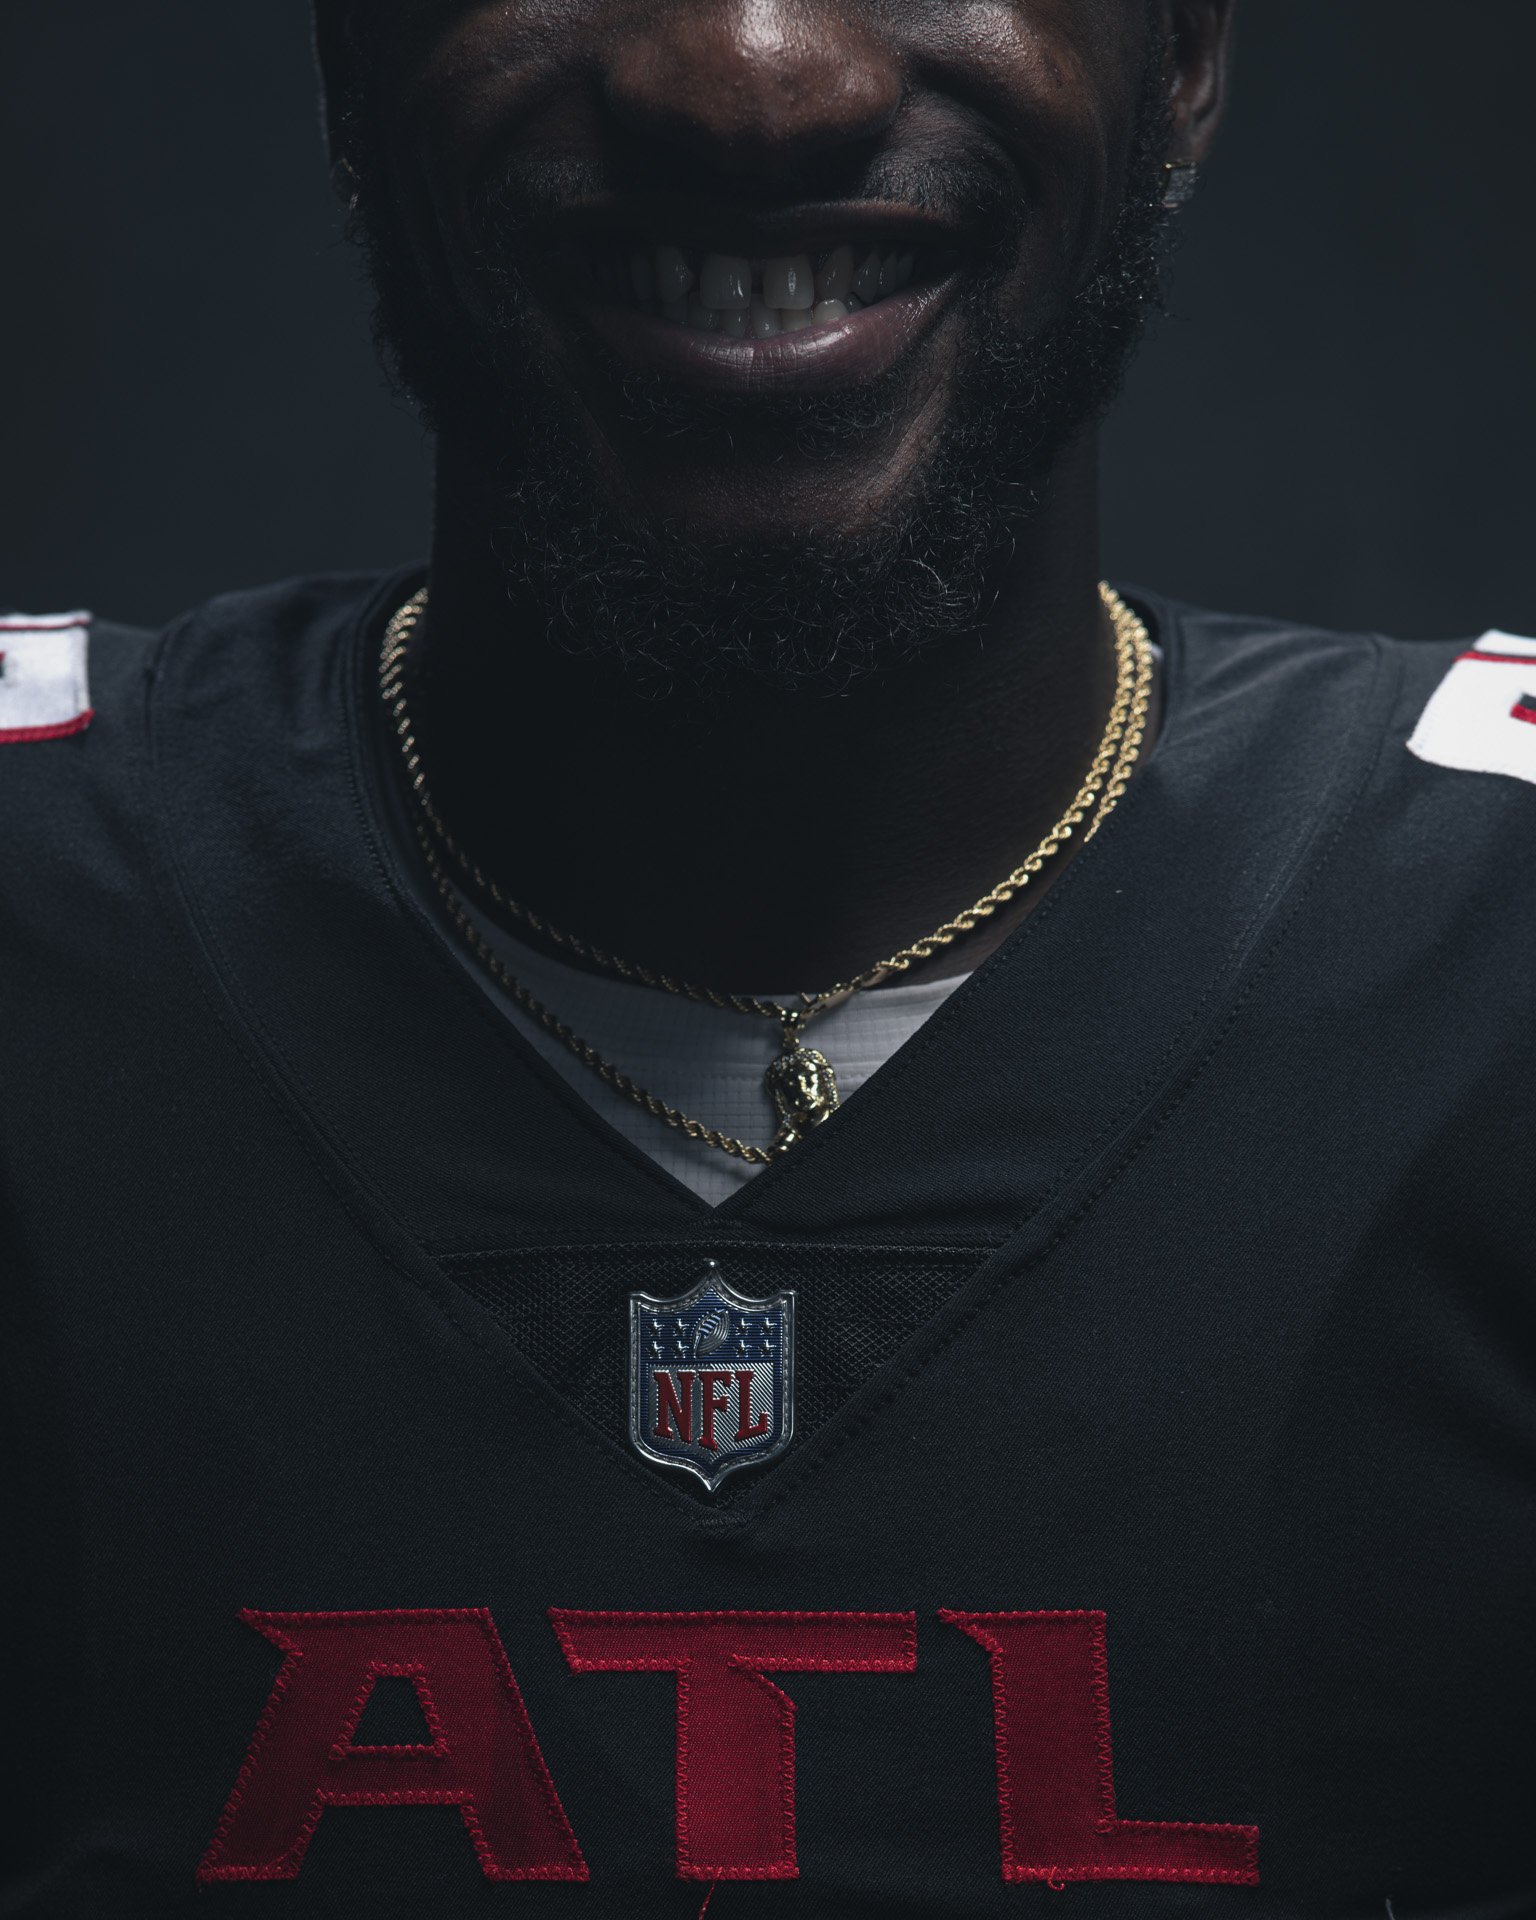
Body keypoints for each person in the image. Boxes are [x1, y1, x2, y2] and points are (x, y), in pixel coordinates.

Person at [2, 0, 1532, 1912]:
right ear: (345, 64)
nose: (749, 75)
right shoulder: (44, 895)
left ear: (1190, 56)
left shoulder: (1492, 944)